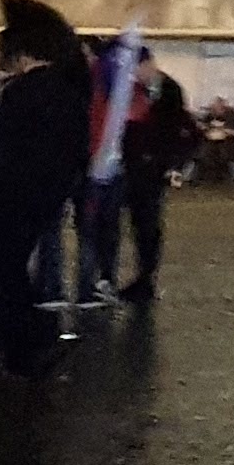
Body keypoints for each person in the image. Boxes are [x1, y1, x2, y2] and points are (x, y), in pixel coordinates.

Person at [0, 0, 98, 367]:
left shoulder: (23, 92)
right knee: (10, 266)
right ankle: (22, 337)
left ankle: (26, 342)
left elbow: (4, 153)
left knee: (7, 267)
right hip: (45, 194)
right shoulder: (67, 89)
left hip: (14, 196)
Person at [76, 29, 148, 303]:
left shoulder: (123, 88)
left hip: (113, 168)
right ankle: (90, 285)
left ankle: (101, 281)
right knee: (92, 227)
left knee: (105, 227)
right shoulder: (90, 87)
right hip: (93, 167)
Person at [118, 51, 193, 302]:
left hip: (152, 167)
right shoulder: (135, 89)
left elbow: (175, 128)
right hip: (133, 164)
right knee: (137, 223)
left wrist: (172, 163)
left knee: (148, 224)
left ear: (148, 64)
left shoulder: (169, 90)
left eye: (137, 68)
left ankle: (146, 277)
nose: (135, 74)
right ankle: (141, 277)